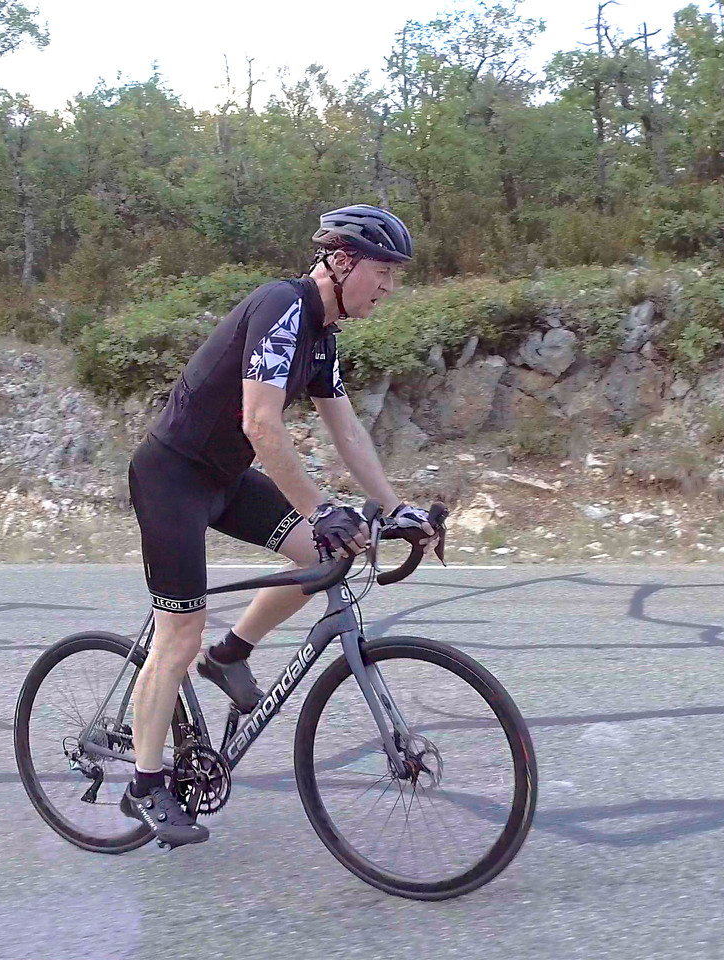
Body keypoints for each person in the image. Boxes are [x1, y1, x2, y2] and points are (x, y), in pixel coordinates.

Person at [121, 204, 437, 845]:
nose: (388, 288)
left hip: (226, 481)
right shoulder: (281, 306)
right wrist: (321, 509)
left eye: (396, 278)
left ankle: (232, 654)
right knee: (178, 637)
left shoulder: (322, 338)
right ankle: (144, 785)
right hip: (172, 478)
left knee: (321, 561)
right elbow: (260, 424)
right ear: (342, 261)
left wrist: (392, 506)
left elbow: (346, 428)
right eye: (383, 272)